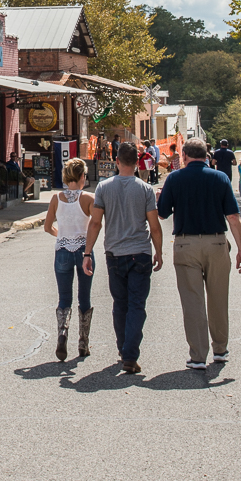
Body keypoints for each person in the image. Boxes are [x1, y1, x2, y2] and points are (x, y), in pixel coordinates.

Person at [158, 139, 241, 370]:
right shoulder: (220, 178)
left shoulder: (175, 178)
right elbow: (233, 217)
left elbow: (163, 214)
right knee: (218, 298)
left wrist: (161, 197)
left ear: (185, 156)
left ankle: (198, 355)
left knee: (192, 301)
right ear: (206, 155)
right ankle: (220, 348)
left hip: (186, 243)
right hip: (217, 242)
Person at [83, 143, 163, 374]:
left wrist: (87, 253)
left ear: (117, 161)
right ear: (138, 162)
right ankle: (130, 353)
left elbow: (96, 222)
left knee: (120, 304)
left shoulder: (104, 187)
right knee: (137, 304)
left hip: (115, 253)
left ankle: (123, 349)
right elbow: (154, 226)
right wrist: (159, 251)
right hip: (140, 252)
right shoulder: (146, 189)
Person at [43, 157, 96, 361]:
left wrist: (62, 234)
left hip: (63, 249)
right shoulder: (88, 198)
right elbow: (95, 224)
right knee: (85, 296)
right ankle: (83, 342)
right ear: (82, 176)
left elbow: (47, 227)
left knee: (64, 297)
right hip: (84, 248)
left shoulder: (56, 198)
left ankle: (62, 333)